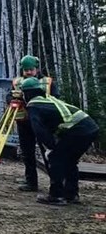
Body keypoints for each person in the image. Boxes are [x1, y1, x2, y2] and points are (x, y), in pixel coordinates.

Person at [20, 77, 99, 205]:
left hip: (78, 130)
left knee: (56, 159)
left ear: (26, 93)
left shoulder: (33, 106)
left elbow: (39, 130)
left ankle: (56, 196)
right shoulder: (48, 99)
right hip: (90, 127)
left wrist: (50, 147)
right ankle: (71, 194)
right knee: (70, 161)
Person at [10, 55, 59, 192]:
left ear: (37, 69)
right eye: (26, 70)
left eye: (31, 69)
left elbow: (56, 99)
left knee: (48, 153)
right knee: (27, 153)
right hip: (24, 123)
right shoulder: (17, 82)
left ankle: (56, 183)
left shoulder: (47, 82)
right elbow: (10, 96)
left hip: (43, 123)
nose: (28, 72)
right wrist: (13, 100)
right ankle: (31, 182)